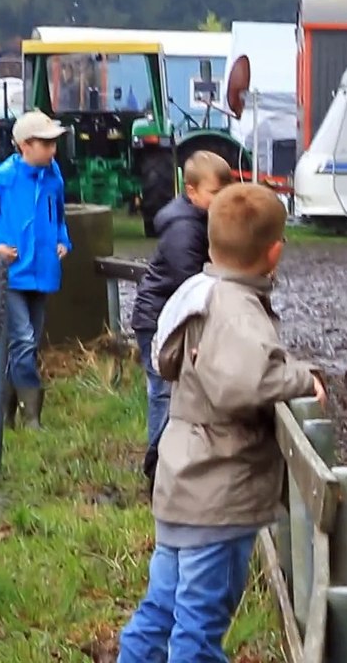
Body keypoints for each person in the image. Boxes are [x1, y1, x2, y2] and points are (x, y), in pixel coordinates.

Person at [117, 183, 326, 662]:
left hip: (184, 481)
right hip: (219, 492)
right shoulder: (236, 310)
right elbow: (245, 382)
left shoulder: (199, 291)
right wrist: (303, 377)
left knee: (161, 610)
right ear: (274, 252)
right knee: (197, 630)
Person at [130, 151, 234, 487]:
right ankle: (157, 468)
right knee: (163, 392)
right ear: (192, 191)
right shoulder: (184, 230)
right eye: (215, 193)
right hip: (159, 319)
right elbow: (191, 283)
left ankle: (169, 464)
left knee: (174, 392)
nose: (222, 198)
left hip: (171, 316)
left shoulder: (201, 220)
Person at [0, 110, 72, 428]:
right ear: (25, 145)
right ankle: (32, 418)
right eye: (45, 144)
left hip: (42, 272)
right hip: (10, 274)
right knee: (22, 340)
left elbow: (58, 216)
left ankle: (5, 414)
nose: (52, 150)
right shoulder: (4, 178)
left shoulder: (53, 177)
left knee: (28, 343)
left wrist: (63, 240)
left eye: (54, 143)